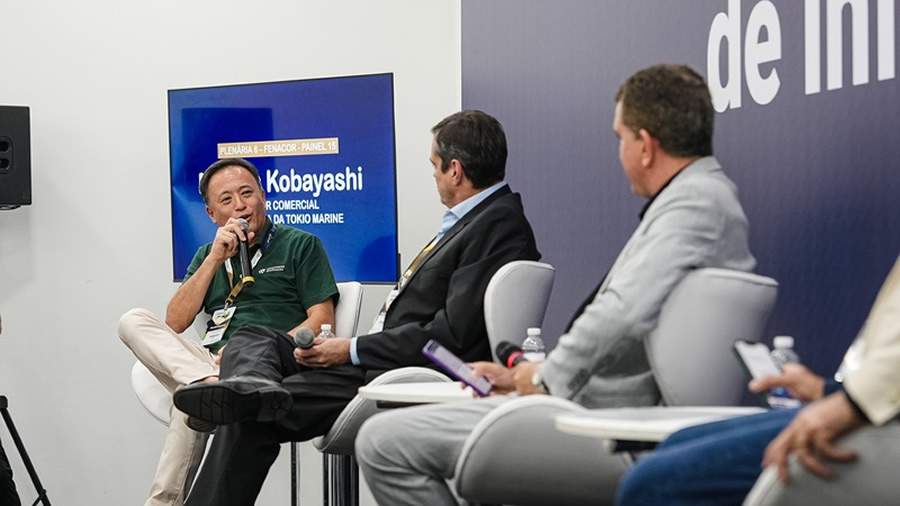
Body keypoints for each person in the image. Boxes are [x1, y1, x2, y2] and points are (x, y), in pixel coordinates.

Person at [354, 63, 757, 506]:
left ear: (645, 146)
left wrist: (542, 380)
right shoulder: (702, 197)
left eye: (620, 138)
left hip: (609, 422)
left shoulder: (695, 204)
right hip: (596, 404)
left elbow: (620, 311)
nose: (619, 152)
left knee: (382, 442)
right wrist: (521, 376)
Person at [174, 110, 541, 506]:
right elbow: (174, 319)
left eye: (434, 166)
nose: (433, 175)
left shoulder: (495, 226)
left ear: (455, 170)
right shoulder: (479, 222)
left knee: (248, 414)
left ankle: (249, 392)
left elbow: (449, 337)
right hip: (382, 357)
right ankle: (251, 384)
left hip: (406, 369)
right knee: (251, 339)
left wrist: (350, 348)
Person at [118, 157, 338, 506]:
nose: (240, 205)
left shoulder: (301, 244)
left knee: (188, 401)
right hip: (212, 361)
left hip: (265, 364)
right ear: (211, 214)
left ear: (263, 196)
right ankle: (207, 384)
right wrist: (214, 260)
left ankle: (205, 396)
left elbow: (322, 321)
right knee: (131, 320)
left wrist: (257, 351)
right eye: (227, 199)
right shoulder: (209, 254)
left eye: (247, 193)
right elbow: (174, 322)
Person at [615, 255, 900, 506]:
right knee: (679, 442)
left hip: (880, 414)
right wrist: (828, 391)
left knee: (655, 484)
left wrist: (852, 404)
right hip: (876, 398)